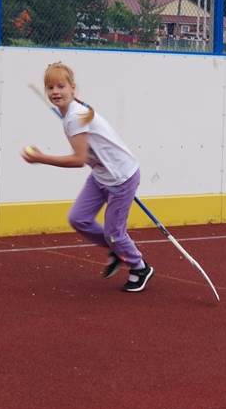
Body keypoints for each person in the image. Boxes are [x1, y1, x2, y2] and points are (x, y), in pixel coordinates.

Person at [22, 62, 154, 293]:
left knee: (114, 234)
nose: (55, 92)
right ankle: (117, 248)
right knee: (79, 218)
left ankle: (140, 267)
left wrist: (42, 158)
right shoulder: (71, 113)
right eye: (50, 87)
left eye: (61, 86)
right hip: (101, 175)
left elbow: (78, 159)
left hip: (121, 178)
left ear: (72, 88)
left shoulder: (75, 117)